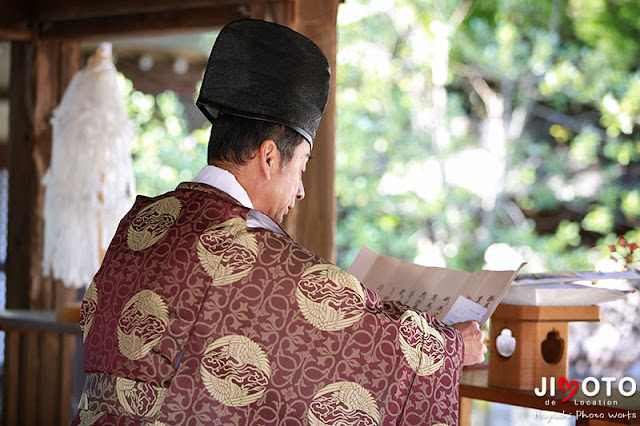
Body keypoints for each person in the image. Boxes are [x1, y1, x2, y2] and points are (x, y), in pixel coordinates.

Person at [73, 19, 485, 425]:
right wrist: (452, 348)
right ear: (270, 157)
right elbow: (377, 346)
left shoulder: (142, 224)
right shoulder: (257, 255)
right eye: (302, 166)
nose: (301, 191)